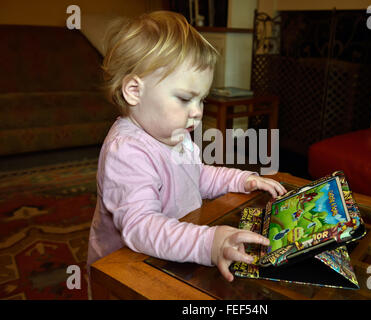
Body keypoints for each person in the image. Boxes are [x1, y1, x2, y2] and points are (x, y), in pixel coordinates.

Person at [87, 11, 286, 282]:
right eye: (184, 98)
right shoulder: (126, 152)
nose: (197, 112)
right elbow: (141, 226)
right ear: (134, 90)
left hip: (171, 250)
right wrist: (208, 243)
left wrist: (243, 179)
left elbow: (197, 176)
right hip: (125, 270)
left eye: (201, 99)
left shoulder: (173, 132)